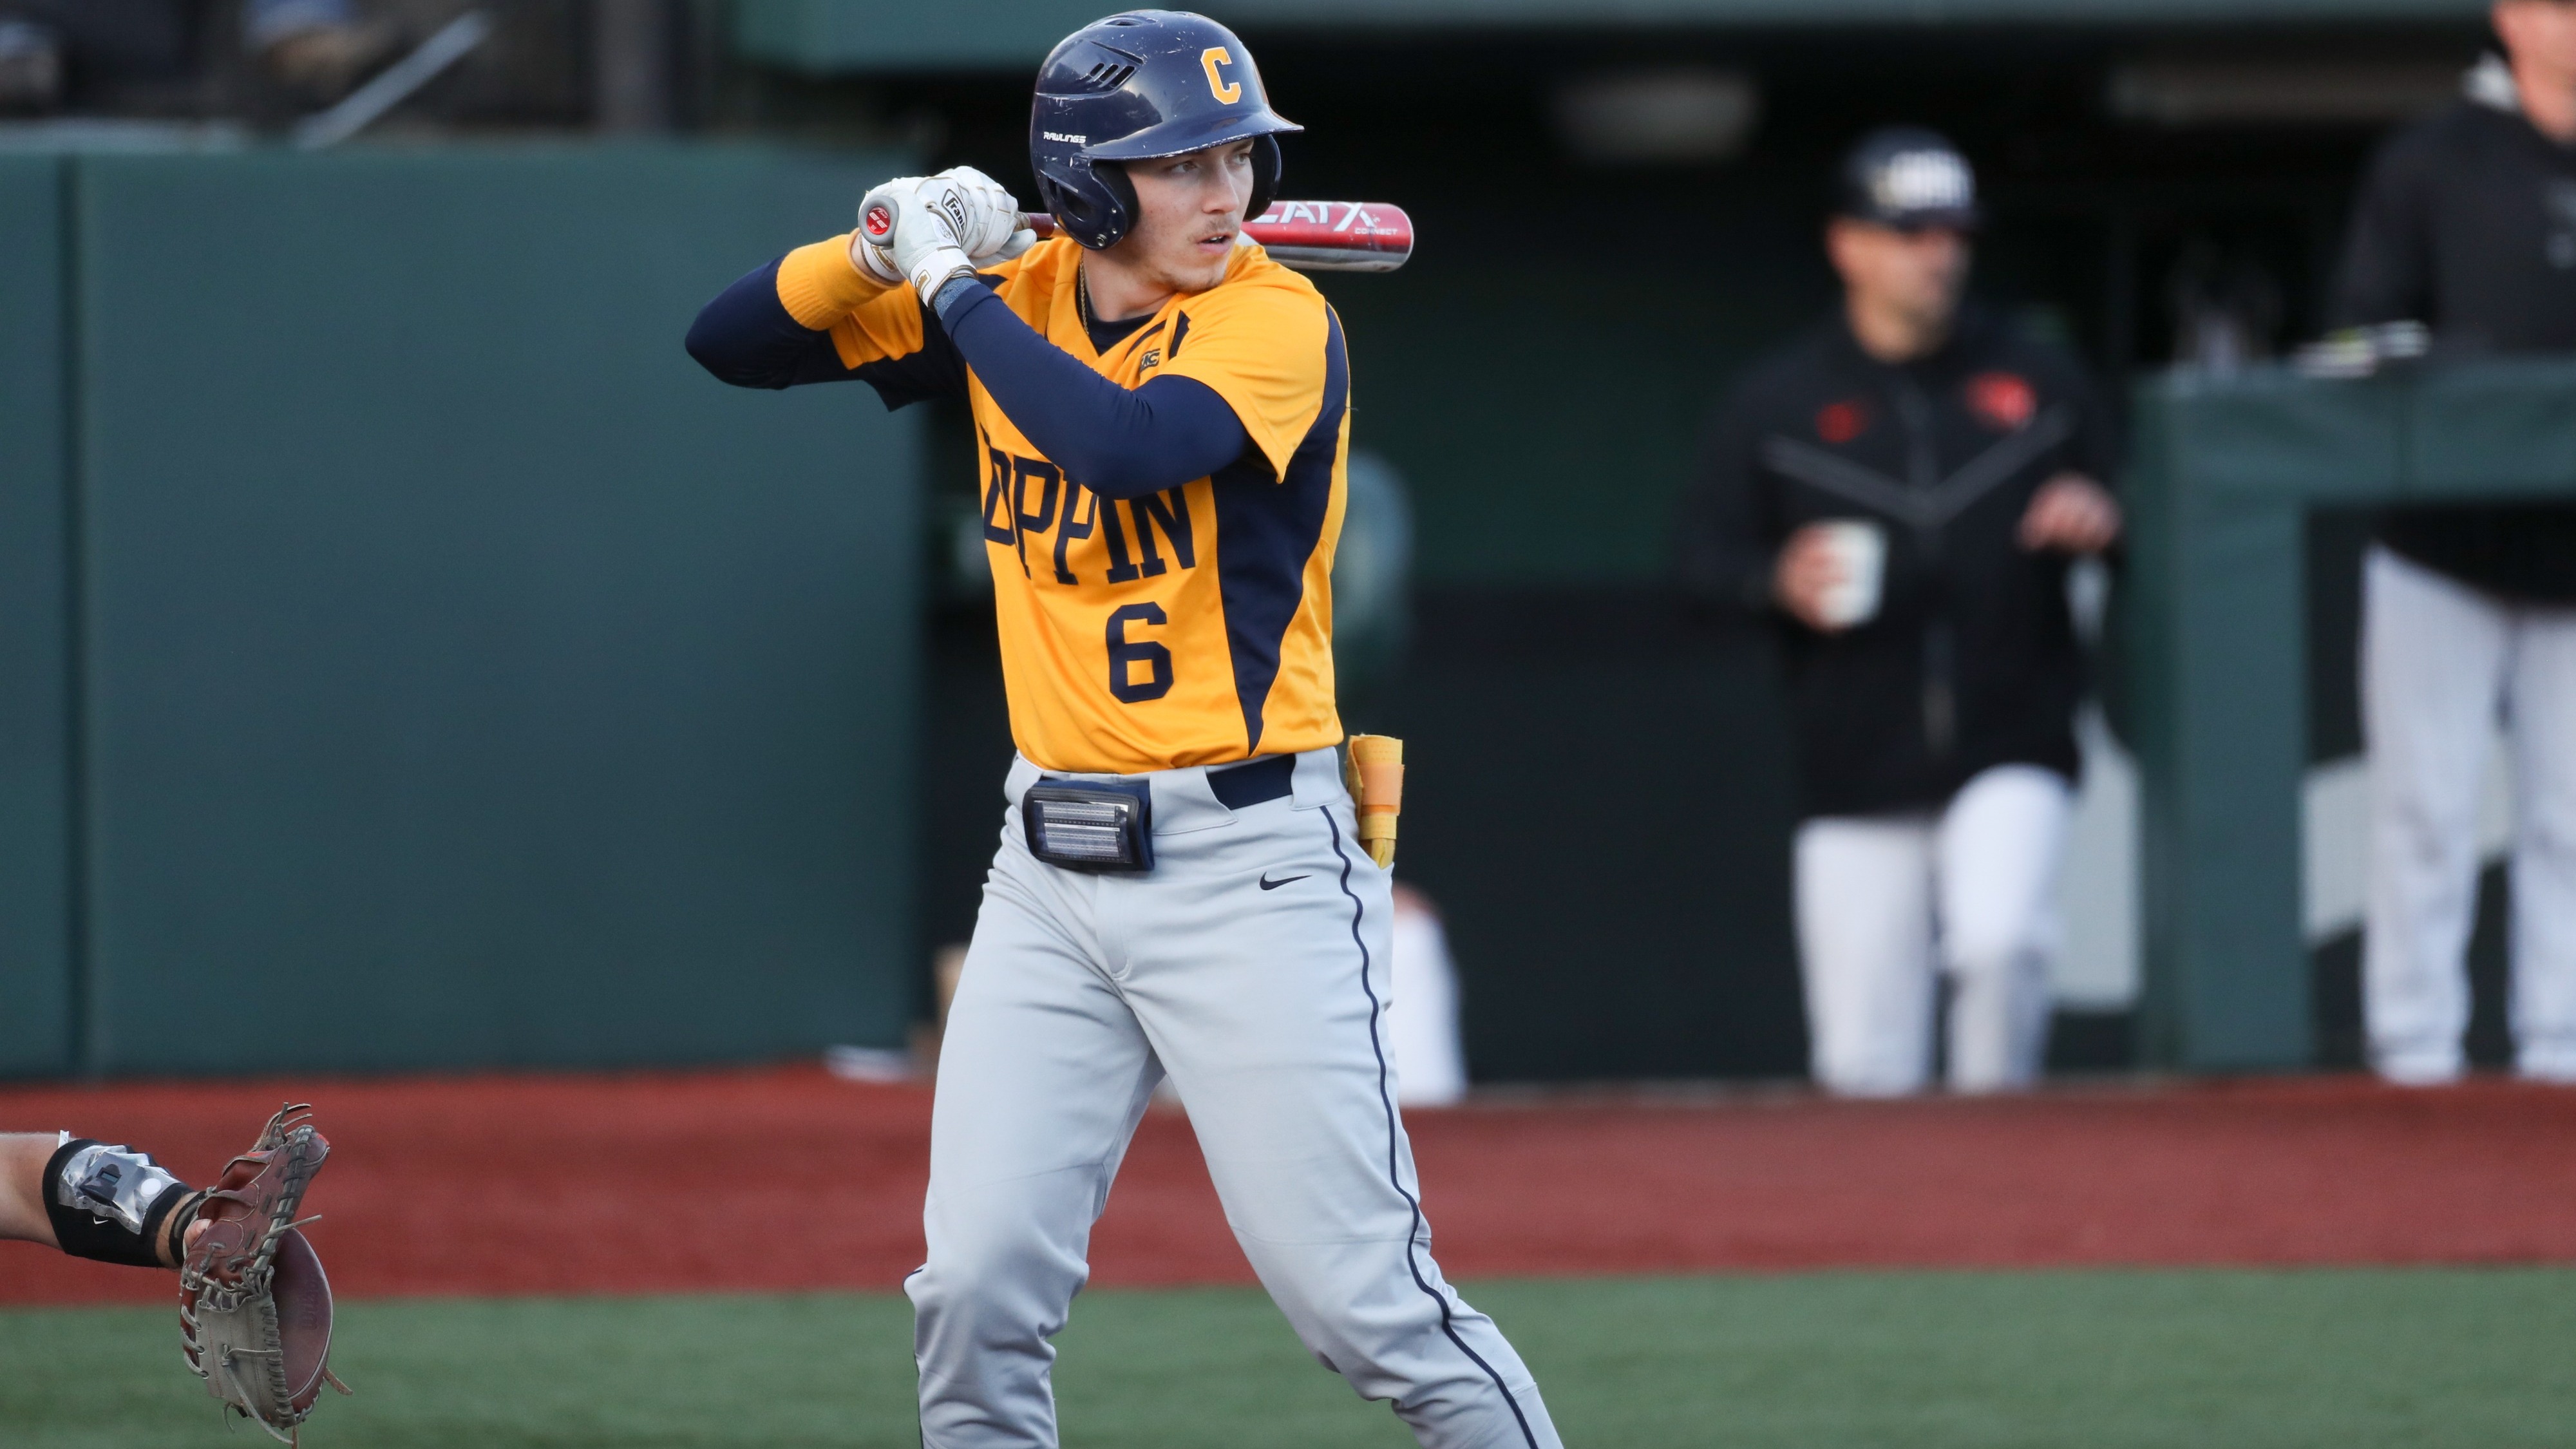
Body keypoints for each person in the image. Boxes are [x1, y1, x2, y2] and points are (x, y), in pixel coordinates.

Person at [685, 12, 1561, 1447]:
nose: (1226, 192)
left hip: (1252, 863)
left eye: (1239, 157)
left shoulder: (1276, 317)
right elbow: (729, 344)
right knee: (973, 1289)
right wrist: (877, 245)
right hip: (1046, 872)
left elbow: (1123, 447)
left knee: (1366, 1307)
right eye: (1179, 164)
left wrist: (949, 291)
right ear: (1088, 185)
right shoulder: (1016, 290)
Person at [1676, 128, 2123, 1097]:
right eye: (1912, 232)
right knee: (1864, 1065)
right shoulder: (1777, 401)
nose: (1939, 254)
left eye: (1954, 233)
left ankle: (2002, 1163)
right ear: (1849, 245)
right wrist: (1776, 579)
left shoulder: (2041, 380)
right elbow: (1701, 564)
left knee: (2001, 942)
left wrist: (2101, 515)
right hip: (1854, 763)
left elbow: (2140, 513)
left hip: (2012, 736)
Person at [2334, 6, 2576, 1086]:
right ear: (2510, 16)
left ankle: (2561, 1051)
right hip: (2443, 546)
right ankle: (2414, 1052)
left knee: (2571, 818)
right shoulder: (2434, 159)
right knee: (2425, 808)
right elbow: (2364, 331)